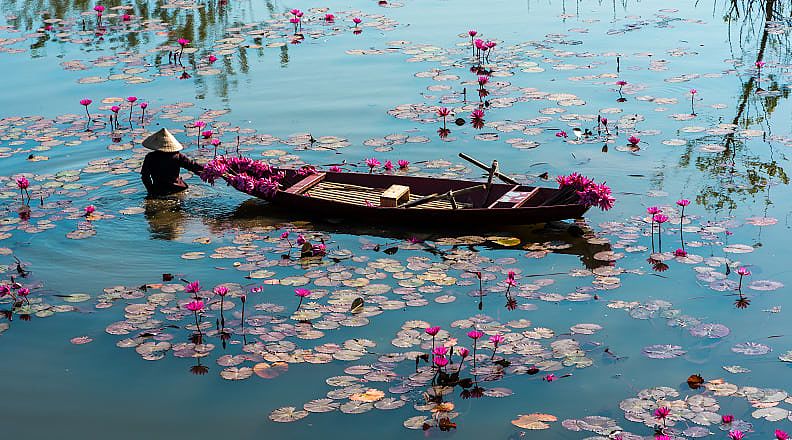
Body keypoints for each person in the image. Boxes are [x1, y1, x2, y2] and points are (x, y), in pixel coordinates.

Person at [140, 128, 204, 196]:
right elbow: (193, 166)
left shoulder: (150, 157)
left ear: (156, 145)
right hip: (178, 188)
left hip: (159, 190)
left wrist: (151, 190)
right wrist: (209, 170)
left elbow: (145, 176)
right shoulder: (177, 156)